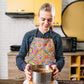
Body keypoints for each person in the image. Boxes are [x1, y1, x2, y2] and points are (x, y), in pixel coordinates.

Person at [16, 2, 65, 84]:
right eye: (43, 19)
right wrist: (25, 67)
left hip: (50, 79)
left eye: (49, 20)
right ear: (38, 17)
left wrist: (57, 66)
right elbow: (19, 57)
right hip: (32, 78)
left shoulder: (57, 38)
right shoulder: (28, 36)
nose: (46, 23)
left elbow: (61, 59)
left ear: (54, 18)